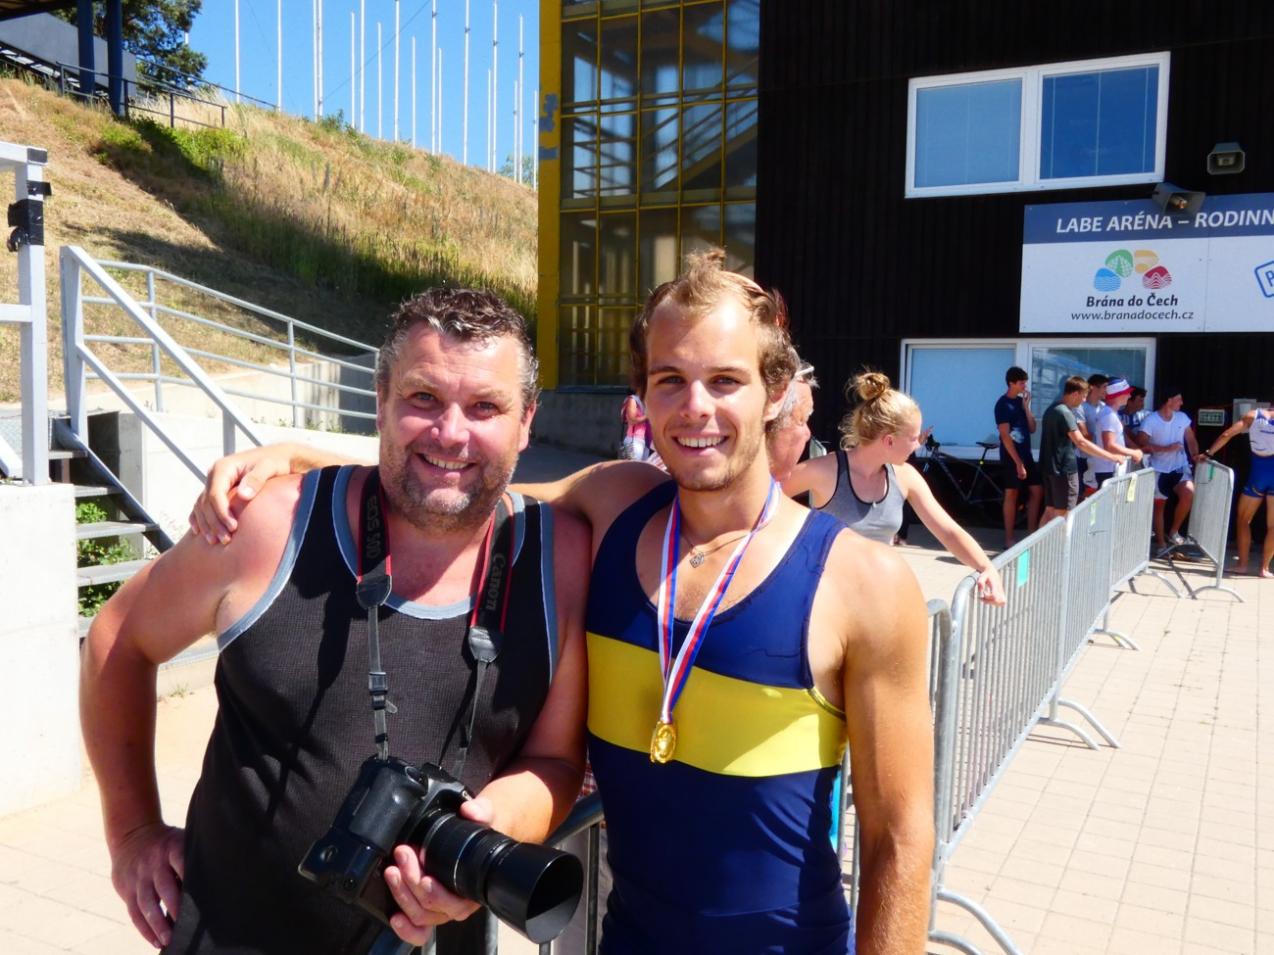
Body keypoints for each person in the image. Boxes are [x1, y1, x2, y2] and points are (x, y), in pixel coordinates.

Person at [190, 250, 936, 953]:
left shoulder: (863, 584)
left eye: (725, 381)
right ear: (642, 396)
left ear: (774, 391)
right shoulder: (617, 504)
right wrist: (298, 457)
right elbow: (470, 484)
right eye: (669, 379)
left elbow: (900, 836)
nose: (695, 407)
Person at [82, 288, 590, 954]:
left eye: (485, 407)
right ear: (380, 401)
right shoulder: (270, 525)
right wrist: (131, 833)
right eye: (423, 398)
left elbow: (554, 760)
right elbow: (117, 638)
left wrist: (491, 824)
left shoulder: (559, 561)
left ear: (526, 421)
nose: (451, 432)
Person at [781, 370, 1006, 604]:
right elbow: (764, 500)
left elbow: (948, 531)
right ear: (889, 440)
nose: (917, 446)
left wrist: (986, 567)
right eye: (914, 438)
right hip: (828, 603)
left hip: (880, 601)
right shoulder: (825, 470)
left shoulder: (906, 476)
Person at [1038, 376, 1126, 524]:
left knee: (1050, 511)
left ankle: (1040, 540)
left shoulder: (1051, 409)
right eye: (1084, 396)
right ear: (1075, 394)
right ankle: (1061, 540)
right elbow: (1081, 442)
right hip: (1064, 470)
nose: (1084, 400)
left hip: (1049, 469)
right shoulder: (1065, 413)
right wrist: (1111, 456)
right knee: (1063, 516)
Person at [1199, 404, 1274, 577]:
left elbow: (1227, 435)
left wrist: (1208, 453)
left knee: (1243, 520)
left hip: (1258, 475)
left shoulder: (1253, 416)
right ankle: (1264, 568)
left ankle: (1242, 565)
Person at [1135, 387, 1199, 556]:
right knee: (1159, 506)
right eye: (1179, 399)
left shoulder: (1182, 417)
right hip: (1158, 469)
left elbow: (1191, 439)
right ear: (1169, 400)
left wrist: (1195, 455)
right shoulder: (1151, 420)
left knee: (1189, 493)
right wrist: (1166, 449)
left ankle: (1173, 532)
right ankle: (1161, 544)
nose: (1182, 403)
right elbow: (1141, 443)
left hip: (1179, 467)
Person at [994, 366, 1042, 548]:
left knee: (1037, 491)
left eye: (1025, 383)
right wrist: (1018, 463)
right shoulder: (1002, 404)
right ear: (1011, 383)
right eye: (1021, 383)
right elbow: (1005, 436)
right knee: (1012, 493)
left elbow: (1032, 428)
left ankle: (1031, 533)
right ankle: (1009, 538)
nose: (1024, 386)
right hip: (1011, 456)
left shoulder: (1021, 402)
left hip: (1026, 453)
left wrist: (1026, 408)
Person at [1089, 377, 1144, 490]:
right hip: (1108, 469)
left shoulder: (1111, 414)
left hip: (1111, 468)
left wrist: (1136, 450)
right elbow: (1109, 445)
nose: (1129, 396)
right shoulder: (1109, 415)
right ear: (1118, 395)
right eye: (1126, 393)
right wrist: (1133, 453)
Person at [1075, 373, 1108, 491]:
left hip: (1101, 458)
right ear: (1093, 387)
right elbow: (1083, 434)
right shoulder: (1080, 407)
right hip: (1083, 459)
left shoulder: (1104, 407)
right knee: (1082, 493)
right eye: (1104, 387)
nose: (1107, 390)